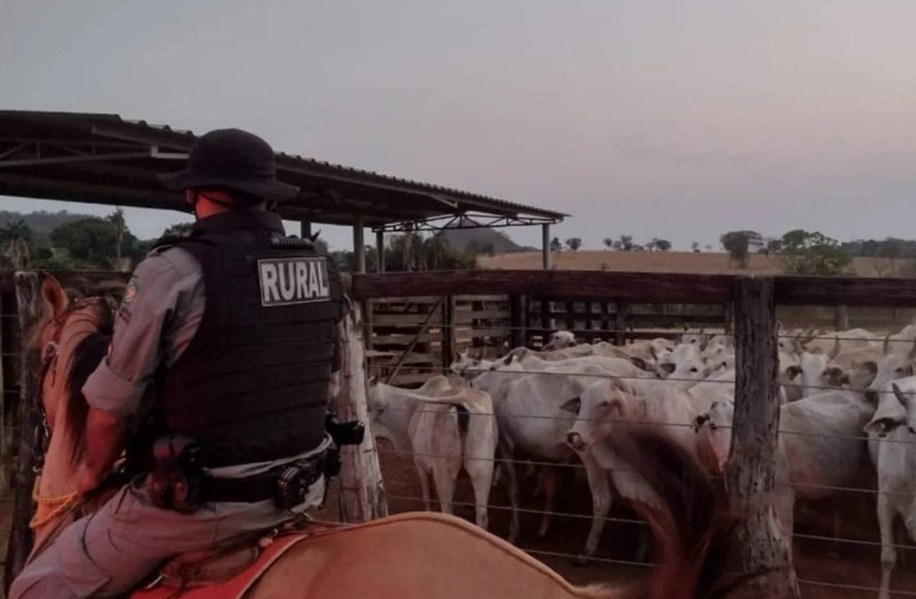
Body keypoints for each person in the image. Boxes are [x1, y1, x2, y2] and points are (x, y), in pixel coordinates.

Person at [10, 128, 346, 598]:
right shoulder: (323, 269)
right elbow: (325, 382)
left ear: (192, 192)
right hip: (301, 488)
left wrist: (89, 477)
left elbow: (109, 412)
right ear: (267, 196)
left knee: (36, 587)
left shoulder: (171, 272)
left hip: (204, 509)